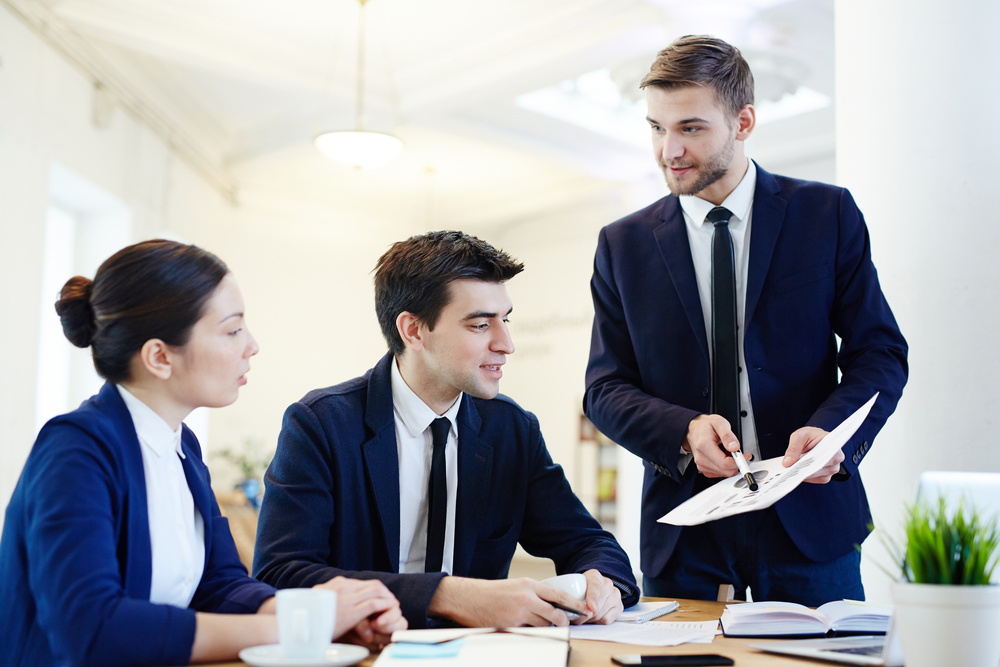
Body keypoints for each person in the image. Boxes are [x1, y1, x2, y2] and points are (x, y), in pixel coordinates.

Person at [584, 36, 908, 606]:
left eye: (691, 128)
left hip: (811, 522)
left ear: (744, 121)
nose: (668, 150)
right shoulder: (621, 245)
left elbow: (878, 352)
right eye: (656, 128)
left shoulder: (827, 214)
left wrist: (833, 432)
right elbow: (604, 389)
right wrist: (682, 431)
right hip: (684, 533)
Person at [0, 240, 406, 667]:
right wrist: (293, 625)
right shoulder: (76, 450)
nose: (252, 346)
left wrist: (323, 616)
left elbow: (220, 582)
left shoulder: (181, 445)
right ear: (159, 356)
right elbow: (92, 629)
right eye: (232, 330)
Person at [254, 230, 639, 629]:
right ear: (413, 331)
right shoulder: (320, 424)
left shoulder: (511, 429)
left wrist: (602, 582)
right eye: (479, 325)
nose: (507, 343)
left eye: (505, 320)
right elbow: (281, 575)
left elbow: (590, 543)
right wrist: (447, 595)